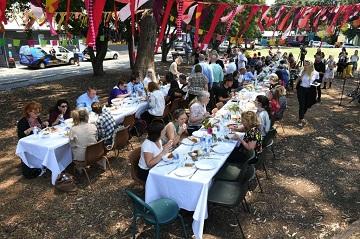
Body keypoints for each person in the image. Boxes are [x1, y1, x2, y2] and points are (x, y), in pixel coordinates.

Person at [17, 102, 49, 178]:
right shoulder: (23, 121)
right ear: (28, 112)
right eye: (35, 113)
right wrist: (30, 129)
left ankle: (45, 163)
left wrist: (44, 124)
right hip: (29, 144)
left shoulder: (37, 118)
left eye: (38, 112)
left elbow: (40, 129)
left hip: (38, 140)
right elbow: (21, 136)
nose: (37, 115)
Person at [295, 61, 319, 127]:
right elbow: (298, 79)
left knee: (307, 104)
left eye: (306, 65)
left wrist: (316, 83)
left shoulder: (316, 73)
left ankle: (302, 115)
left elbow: (317, 82)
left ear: (311, 66)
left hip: (310, 90)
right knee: (302, 104)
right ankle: (301, 118)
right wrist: (295, 85)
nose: (304, 66)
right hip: (301, 89)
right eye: (304, 65)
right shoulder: (303, 71)